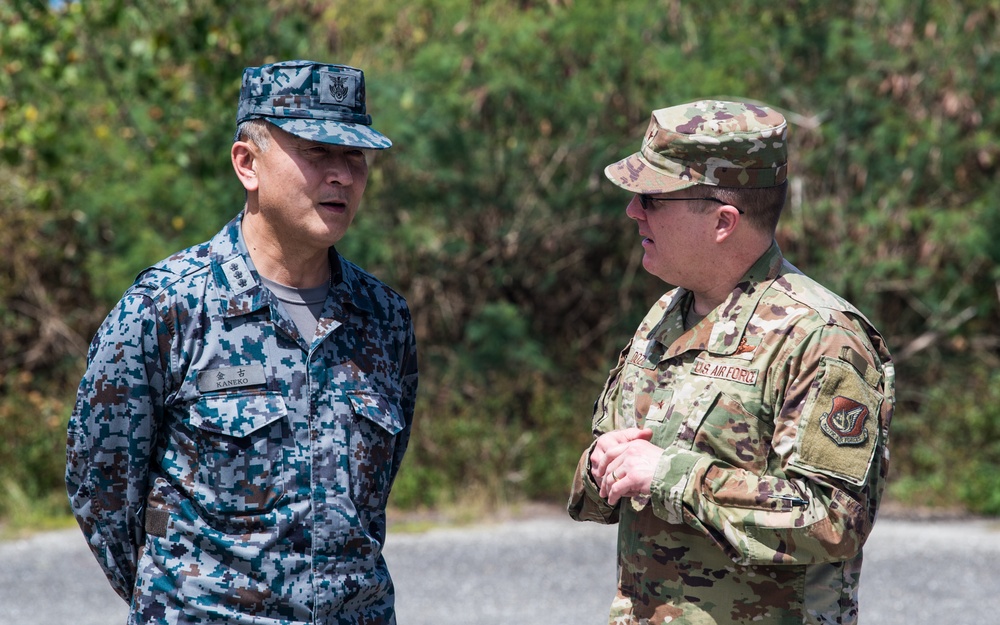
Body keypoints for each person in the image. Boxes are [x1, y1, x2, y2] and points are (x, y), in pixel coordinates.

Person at [66, 60, 418, 624]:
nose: (342, 176)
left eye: (355, 156)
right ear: (247, 163)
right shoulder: (168, 309)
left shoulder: (383, 318)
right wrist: (181, 596)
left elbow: (369, 502)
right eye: (316, 151)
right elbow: (101, 484)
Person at [568, 100, 894, 625]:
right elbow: (617, 475)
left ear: (723, 221)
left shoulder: (821, 337)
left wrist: (673, 475)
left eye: (651, 198)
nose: (633, 211)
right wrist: (599, 466)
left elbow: (833, 521)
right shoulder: (663, 316)